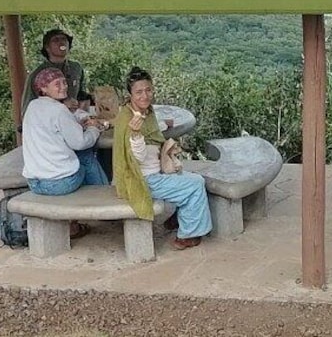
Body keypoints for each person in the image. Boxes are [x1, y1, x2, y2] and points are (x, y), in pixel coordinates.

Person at [113, 66, 212, 250]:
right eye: (139, 92)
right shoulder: (127, 120)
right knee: (196, 183)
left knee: (185, 175)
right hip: (142, 179)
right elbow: (137, 158)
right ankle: (187, 235)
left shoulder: (146, 112)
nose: (145, 96)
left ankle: (176, 219)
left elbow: (151, 133)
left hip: (154, 171)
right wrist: (135, 135)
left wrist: (162, 127)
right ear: (130, 94)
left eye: (148, 90)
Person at [21, 67, 109, 239]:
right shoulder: (59, 110)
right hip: (59, 185)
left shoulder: (33, 106)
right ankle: (105, 198)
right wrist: (93, 128)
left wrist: (80, 120)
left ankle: (76, 221)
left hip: (34, 182)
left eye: (64, 82)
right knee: (84, 156)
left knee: (75, 159)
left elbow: (60, 121)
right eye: (56, 84)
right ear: (43, 89)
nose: (63, 86)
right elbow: (80, 143)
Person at [22, 29, 87, 117]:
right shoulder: (38, 74)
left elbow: (81, 94)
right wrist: (61, 105)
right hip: (50, 123)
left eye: (64, 39)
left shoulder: (76, 68)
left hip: (74, 120)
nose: (61, 42)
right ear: (47, 48)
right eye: (56, 40)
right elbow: (28, 106)